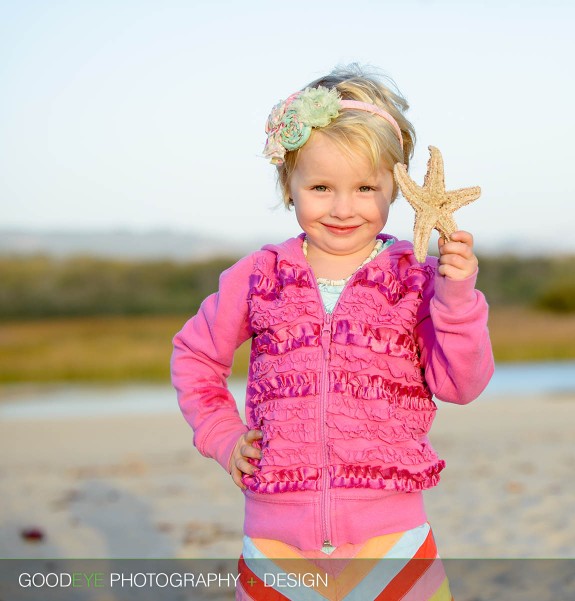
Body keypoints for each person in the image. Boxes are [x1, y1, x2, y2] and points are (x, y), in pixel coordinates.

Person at [171, 64, 494, 600]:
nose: (343, 208)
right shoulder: (257, 276)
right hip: (276, 544)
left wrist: (456, 298)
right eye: (321, 187)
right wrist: (222, 437)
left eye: (366, 187)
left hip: (392, 542)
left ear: (398, 187)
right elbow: (194, 356)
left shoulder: (417, 277)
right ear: (288, 186)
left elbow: (461, 385)